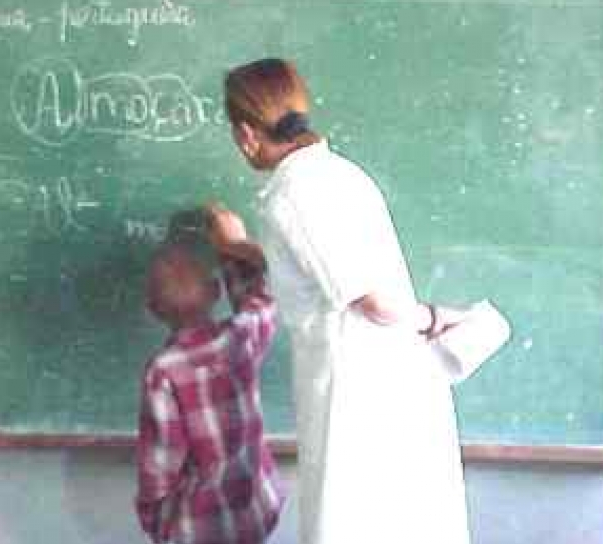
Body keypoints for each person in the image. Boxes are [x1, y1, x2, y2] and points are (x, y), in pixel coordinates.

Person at [218, 58, 471, 544]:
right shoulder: (337, 173)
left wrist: (435, 317)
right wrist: (242, 249)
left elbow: (373, 301)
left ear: (247, 134)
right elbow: (313, 268)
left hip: (357, 388)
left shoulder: (293, 193)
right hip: (385, 378)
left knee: (352, 525)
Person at [135, 212, 285, 544]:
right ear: (216, 291)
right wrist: (231, 248)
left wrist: (155, 519)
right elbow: (262, 301)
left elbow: (160, 461)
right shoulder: (242, 335)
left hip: (198, 525)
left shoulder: (163, 371)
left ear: (152, 308)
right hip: (256, 509)